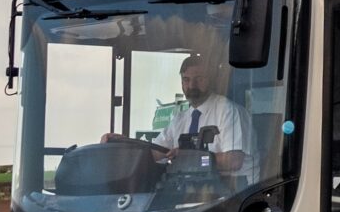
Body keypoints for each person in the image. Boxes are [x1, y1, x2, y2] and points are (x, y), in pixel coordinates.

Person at [104, 55, 253, 174]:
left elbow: (234, 161)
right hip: (196, 195)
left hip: (236, 198)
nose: (191, 86)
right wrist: (123, 144)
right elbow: (154, 153)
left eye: (199, 79)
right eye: (186, 80)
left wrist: (192, 159)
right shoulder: (180, 120)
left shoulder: (229, 111)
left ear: (211, 79)